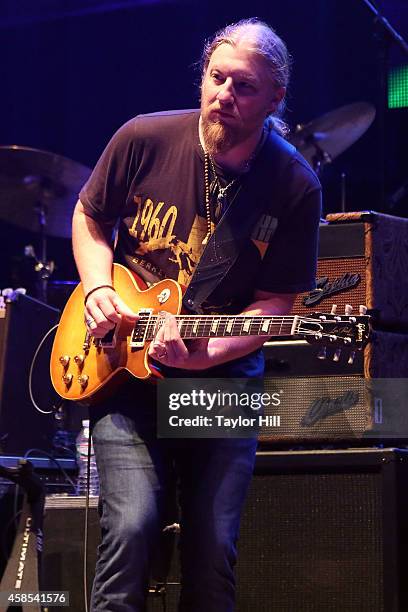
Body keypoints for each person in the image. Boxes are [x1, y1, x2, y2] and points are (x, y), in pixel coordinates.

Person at [72, 17, 321, 612]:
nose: (223, 97)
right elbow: (88, 216)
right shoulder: (144, 138)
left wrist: (202, 352)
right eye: (216, 79)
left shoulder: (293, 185)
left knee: (212, 557)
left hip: (223, 383)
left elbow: (275, 308)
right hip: (124, 373)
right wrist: (98, 288)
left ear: (275, 98)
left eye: (244, 88)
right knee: (130, 530)